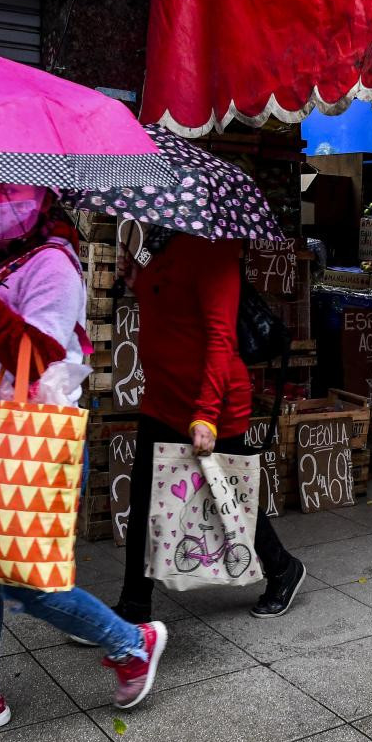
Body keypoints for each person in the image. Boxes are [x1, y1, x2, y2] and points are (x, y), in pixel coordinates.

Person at [0, 185, 167, 741]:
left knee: (29, 585)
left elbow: (40, 356)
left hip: (29, 445)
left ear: (38, 197)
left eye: (6, 189)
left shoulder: (53, 264)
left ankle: (131, 643)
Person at [113, 229, 305, 622]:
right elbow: (167, 304)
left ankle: (284, 568)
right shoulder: (161, 243)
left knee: (227, 499)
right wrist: (136, 280)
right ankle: (134, 606)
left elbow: (221, 339)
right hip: (163, 401)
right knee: (144, 502)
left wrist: (205, 414)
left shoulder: (214, 252)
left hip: (212, 403)